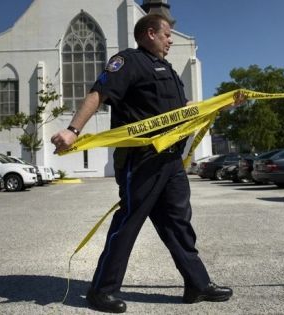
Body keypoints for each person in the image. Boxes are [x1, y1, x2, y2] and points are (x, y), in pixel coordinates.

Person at [52, 14, 242, 313]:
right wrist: (73, 130)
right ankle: (101, 291)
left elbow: (184, 111)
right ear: (150, 33)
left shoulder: (168, 70)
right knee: (128, 224)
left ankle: (197, 284)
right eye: (167, 35)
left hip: (171, 161)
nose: (170, 40)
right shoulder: (128, 62)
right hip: (142, 161)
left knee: (179, 223)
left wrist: (223, 102)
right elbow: (99, 93)